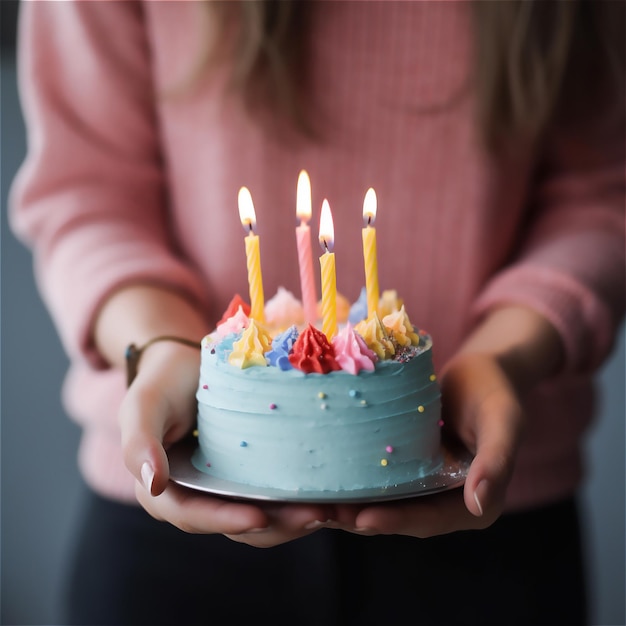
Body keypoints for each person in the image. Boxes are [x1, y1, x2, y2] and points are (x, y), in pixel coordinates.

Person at [9, 1, 624, 625]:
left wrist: (503, 357)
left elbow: (602, 196)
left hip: (487, 511)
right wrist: (163, 348)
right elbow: (88, 194)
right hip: (181, 507)